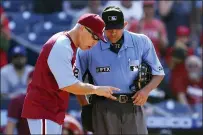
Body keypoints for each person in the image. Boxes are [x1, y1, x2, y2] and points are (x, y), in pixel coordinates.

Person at [21, 13, 119, 135]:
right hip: (43, 108)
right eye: (94, 36)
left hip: (52, 109)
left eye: (98, 39)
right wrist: (96, 89)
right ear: (82, 28)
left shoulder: (69, 45)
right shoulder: (62, 45)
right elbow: (68, 85)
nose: (95, 42)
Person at [76, 6, 165, 134]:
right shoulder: (89, 45)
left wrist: (146, 91)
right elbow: (76, 80)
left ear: (125, 24)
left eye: (117, 28)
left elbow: (159, 73)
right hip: (103, 106)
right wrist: (85, 106)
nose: (113, 32)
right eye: (109, 28)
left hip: (133, 104)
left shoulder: (141, 41)